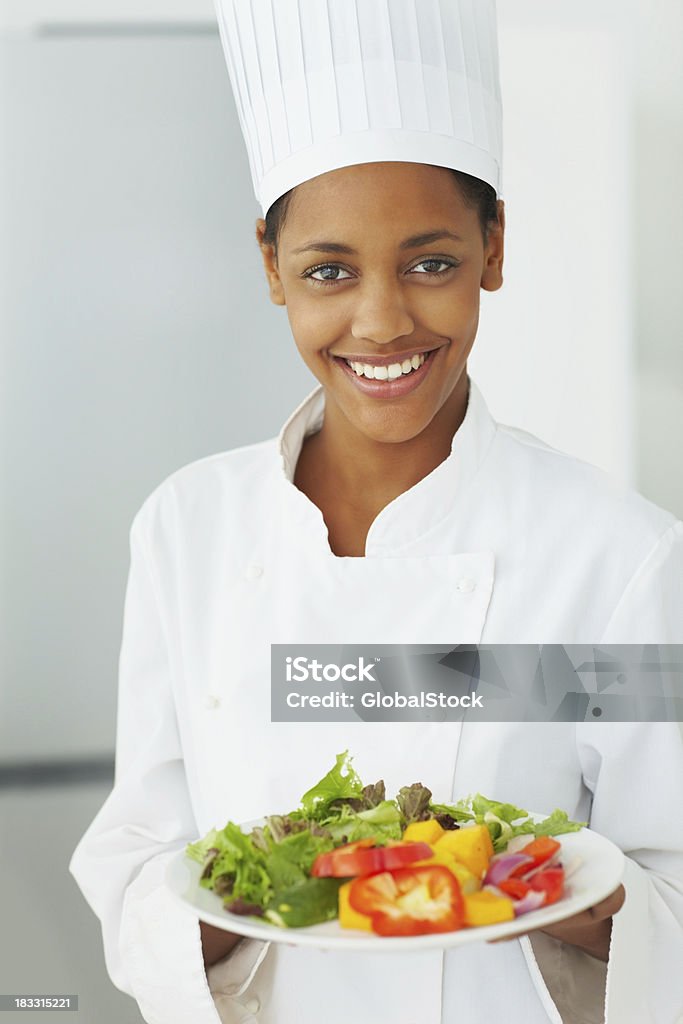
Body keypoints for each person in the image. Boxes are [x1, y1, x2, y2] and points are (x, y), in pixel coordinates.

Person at [69, 2, 683, 1022]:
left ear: (492, 248)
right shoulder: (187, 530)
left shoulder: (615, 555)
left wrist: (529, 875)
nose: (381, 319)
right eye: (328, 270)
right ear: (271, 267)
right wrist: (278, 874)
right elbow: (137, 854)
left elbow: (670, 894)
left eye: (431, 261)